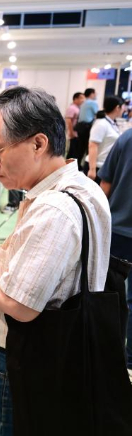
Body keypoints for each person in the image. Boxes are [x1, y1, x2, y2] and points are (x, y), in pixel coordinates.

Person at [0, 86, 111, 436]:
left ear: (38, 143)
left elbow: (21, 305)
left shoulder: (54, 209)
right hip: (53, 358)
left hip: (15, 365)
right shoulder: (80, 186)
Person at [99, 128, 132, 380]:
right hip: (119, 231)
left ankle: (108, 360)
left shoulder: (126, 138)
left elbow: (105, 185)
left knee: (108, 297)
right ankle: (129, 361)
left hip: (118, 231)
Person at [84, 95, 123, 183]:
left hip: (104, 166)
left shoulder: (111, 123)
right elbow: (93, 145)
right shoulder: (101, 123)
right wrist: (92, 169)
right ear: (117, 107)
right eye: (122, 107)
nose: (123, 110)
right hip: (96, 167)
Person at [69, 88, 98, 166]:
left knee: (80, 148)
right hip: (87, 127)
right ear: (92, 94)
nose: (96, 95)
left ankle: (77, 165)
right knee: (88, 148)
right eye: (95, 93)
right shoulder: (93, 103)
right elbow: (97, 114)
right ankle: (87, 166)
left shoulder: (83, 103)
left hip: (80, 127)